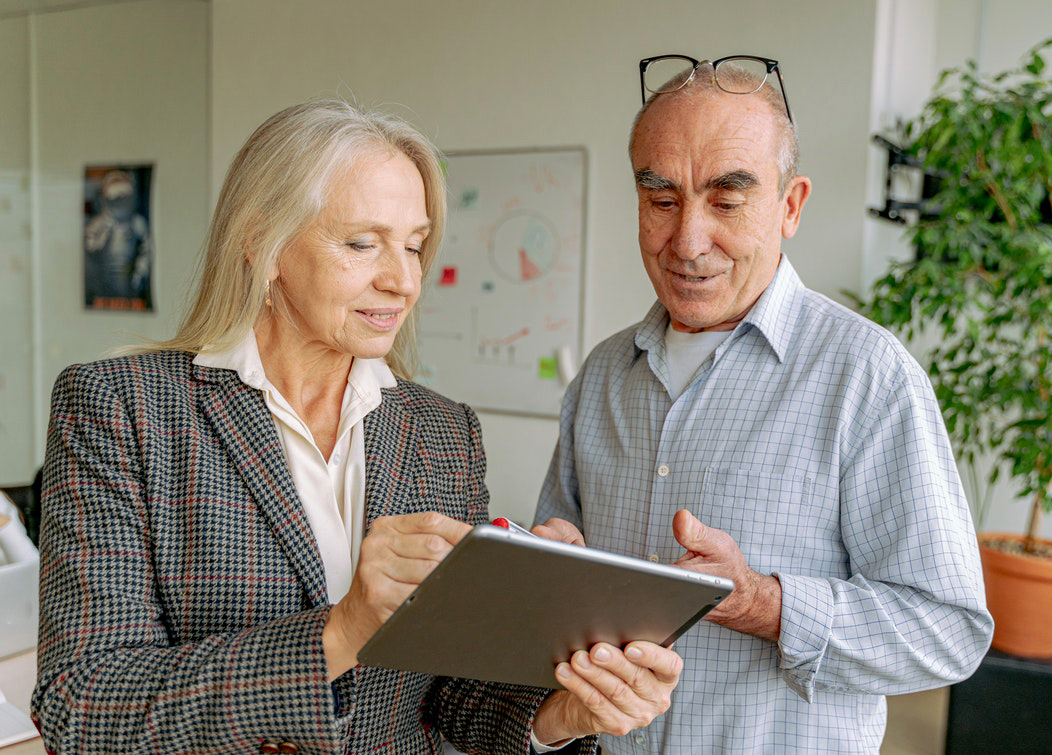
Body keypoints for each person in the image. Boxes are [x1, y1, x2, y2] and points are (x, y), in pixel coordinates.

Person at [33, 99, 682, 755]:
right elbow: (81, 704)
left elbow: (451, 692)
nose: (403, 280)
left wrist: (561, 713)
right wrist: (339, 633)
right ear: (264, 243)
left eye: (415, 245)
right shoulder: (122, 408)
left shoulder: (442, 431)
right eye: (361, 243)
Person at [534, 55, 994, 754]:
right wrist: (547, 577)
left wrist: (766, 604)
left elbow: (949, 630)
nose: (687, 240)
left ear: (790, 205)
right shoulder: (600, 376)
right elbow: (552, 605)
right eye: (662, 199)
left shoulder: (868, 376)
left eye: (726, 199)